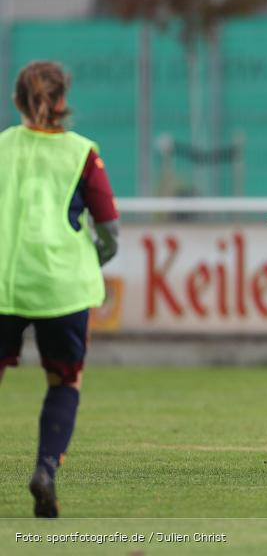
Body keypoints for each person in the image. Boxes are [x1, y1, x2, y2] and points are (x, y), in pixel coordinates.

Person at [0, 61, 119, 517]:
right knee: (65, 381)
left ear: (16, 102)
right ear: (64, 102)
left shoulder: (4, 147)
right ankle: (46, 469)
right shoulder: (81, 152)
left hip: (4, 282)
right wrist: (95, 258)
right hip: (61, 286)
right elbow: (109, 226)